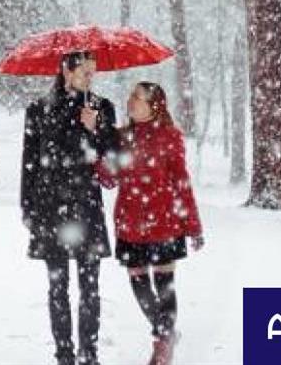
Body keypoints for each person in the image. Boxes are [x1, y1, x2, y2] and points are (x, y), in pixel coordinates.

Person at [20, 51, 118, 365]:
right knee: (57, 285)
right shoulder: (39, 109)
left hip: (86, 204)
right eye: (85, 72)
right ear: (66, 71)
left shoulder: (102, 108)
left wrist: (95, 129)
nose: (91, 78)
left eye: (93, 73)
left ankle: (89, 354)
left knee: (90, 285)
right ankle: (64, 353)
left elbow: (112, 156)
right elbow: (32, 161)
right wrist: (27, 206)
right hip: (49, 206)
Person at [102, 82, 204, 365]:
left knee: (164, 283)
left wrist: (192, 224)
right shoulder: (120, 137)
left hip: (164, 223)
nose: (131, 101)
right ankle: (167, 332)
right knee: (138, 282)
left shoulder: (170, 137)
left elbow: (181, 182)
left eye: (138, 97)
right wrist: (97, 144)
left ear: (154, 106)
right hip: (129, 222)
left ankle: (161, 345)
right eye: (132, 95)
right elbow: (108, 179)